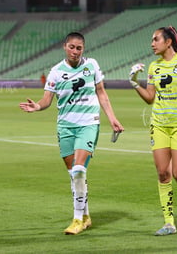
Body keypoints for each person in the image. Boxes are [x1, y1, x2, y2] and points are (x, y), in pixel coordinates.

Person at [19, 32, 124, 235]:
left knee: (78, 170)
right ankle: (85, 216)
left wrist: (112, 118)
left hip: (88, 124)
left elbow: (101, 92)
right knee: (74, 175)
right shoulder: (56, 72)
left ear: (83, 49)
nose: (75, 51)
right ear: (65, 47)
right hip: (65, 126)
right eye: (72, 47)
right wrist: (37, 107)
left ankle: (76, 219)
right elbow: (47, 100)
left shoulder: (91, 65)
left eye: (79, 48)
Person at [129, 26, 177, 236]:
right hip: (159, 125)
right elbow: (150, 98)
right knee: (163, 173)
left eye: (156, 39)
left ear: (168, 41)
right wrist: (135, 83)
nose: (152, 44)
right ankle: (169, 222)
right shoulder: (154, 67)